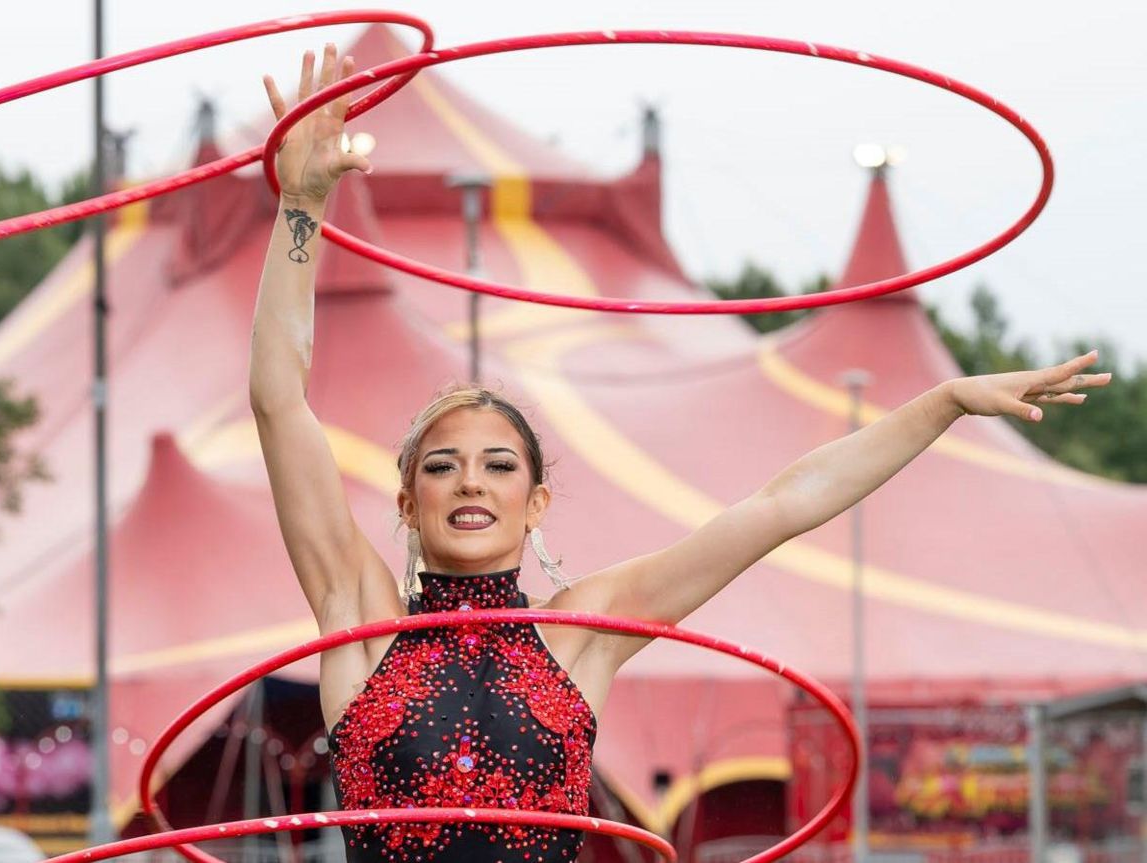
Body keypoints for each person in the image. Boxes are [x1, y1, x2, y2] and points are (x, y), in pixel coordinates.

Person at [248, 44, 1112, 862]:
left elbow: (780, 505)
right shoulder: (356, 616)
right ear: (407, 502)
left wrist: (942, 400)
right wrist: (301, 207)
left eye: (499, 463)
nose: (470, 479)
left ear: (536, 502)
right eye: (441, 465)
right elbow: (280, 402)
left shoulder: (584, 632)